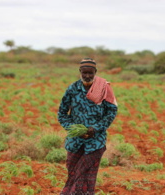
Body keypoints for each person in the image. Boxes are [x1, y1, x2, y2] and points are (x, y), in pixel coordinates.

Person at [58, 58, 118, 195]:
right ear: (80, 72)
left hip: (95, 142)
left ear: (95, 72)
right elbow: (62, 113)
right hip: (75, 142)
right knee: (73, 174)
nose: (87, 76)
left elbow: (111, 112)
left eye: (91, 73)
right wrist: (73, 129)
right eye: (84, 73)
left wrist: (95, 128)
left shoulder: (104, 88)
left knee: (88, 177)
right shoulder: (72, 89)